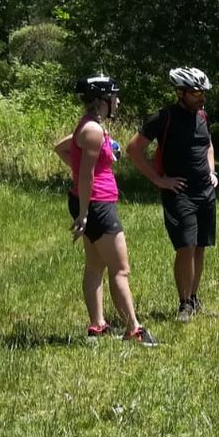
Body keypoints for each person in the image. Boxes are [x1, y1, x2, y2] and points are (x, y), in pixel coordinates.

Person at [52, 75, 156, 346]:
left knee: (95, 265)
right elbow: (86, 175)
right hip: (97, 205)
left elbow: (62, 149)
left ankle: (97, 325)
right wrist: (84, 213)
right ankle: (134, 330)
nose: (117, 101)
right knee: (120, 269)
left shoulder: (90, 127)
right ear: (101, 100)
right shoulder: (93, 131)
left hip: (92, 202)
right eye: (114, 97)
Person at [126, 67, 218, 322]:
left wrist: (212, 171)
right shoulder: (162, 118)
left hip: (205, 191)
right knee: (185, 246)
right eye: (196, 93)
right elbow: (133, 149)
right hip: (180, 193)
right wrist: (159, 180)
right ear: (180, 92)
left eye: (203, 92)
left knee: (200, 246)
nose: (201, 97)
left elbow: (208, 144)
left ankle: (194, 299)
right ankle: (184, 303)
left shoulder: (202, 116)